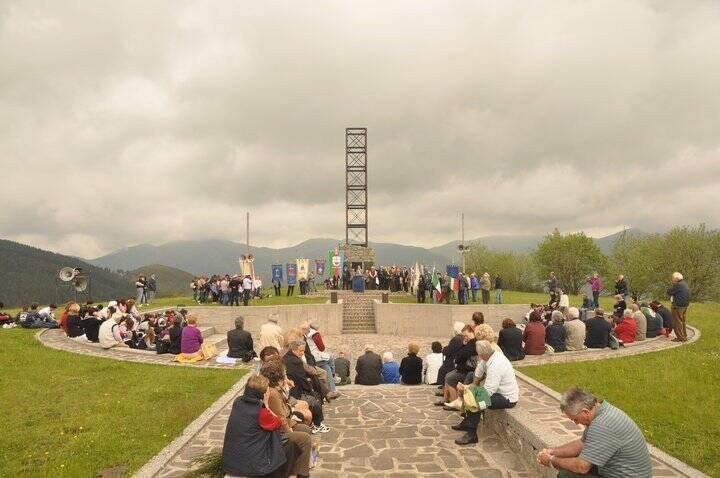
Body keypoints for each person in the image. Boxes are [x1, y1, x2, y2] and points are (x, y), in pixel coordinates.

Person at [536, 387, 652, 477]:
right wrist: (553, 451)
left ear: (585, 411)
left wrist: (551, 460)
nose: (576, 423)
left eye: (575, 419)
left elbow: (582, 467)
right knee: (570, 463)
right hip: (615, 472)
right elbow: (582, 444)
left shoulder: (602, 425)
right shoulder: (601, 410)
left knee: (566, 475)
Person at [222, 375, 299, 478]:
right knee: (289, 445)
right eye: (267, 391)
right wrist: (266, 406)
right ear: (263, 394)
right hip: (252, 465)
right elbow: (278, 423)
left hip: (231, 461)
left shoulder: (238, 402)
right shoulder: (261, 412)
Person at [453, 340, 519, 445]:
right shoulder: (490, 355)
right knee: (472, 391)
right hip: (497, 393)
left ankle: (471, 434)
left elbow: (487, 392)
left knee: (476, 398)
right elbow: (478, 371)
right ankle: (467, 421)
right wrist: (472, 385)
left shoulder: (496, 365)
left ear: (481, 354)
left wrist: (467, 390)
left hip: (506, 398)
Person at [260, 360, 313, 478]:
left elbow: (285, 411)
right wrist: (290, 430)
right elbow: (281, 419)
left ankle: (300, 466)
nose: (286, 375)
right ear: (278, 376)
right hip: (276, 431)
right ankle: (302, 473)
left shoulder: (276, 389)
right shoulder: (273, 393)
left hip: (283, 423)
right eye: (284, 373)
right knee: (304, 437)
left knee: (305, 429)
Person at [282, 340, 330, 434]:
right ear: (294, 350)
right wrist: (310, 390)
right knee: (315, 400)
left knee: (314, 394)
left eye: (303, 351)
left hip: (292, 389)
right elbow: (301, 379)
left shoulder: (287, 357)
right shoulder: (296, 361)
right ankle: (318, 424)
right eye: (301, 351)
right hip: (295, 391)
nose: (302, 353)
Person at [436, 325, 477, 406]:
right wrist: (464, 345)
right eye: (464, 336)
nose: (465, 338)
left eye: (466, 335)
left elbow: (461, 356)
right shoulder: (468, 343)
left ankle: (455, 403)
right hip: (463, 368)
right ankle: (447, 400)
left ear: (472, 333)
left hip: (468, 370)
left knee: (449, 377)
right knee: (448, 375)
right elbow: (459, 354)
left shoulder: (473, 344)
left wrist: (458, 357)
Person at [301, 322, 339, 397]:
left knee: (327, 368)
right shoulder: (315, 334)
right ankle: (334, 380)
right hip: (314, 358)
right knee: (330, 360)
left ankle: (332, 389)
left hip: (310, 358)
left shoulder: (302, 335)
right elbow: (322, 348)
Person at [437, 322, 466, 386]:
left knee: (443, 370)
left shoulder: (456, 339)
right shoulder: (463, 338)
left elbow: (448, 351)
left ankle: (445, 390)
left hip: (453, 361)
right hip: (457, 359)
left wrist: (444, 349)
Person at [667, 272, 690, 342]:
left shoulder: (677, 285)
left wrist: (673, 286)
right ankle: (684, 335)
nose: (672, 280)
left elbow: (669, 292)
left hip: (678, 306)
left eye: (673, 278)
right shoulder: (684, 284)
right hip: (684, 305)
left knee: (677, 322)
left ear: (676, 279)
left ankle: (680, 338)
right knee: (682, 321)